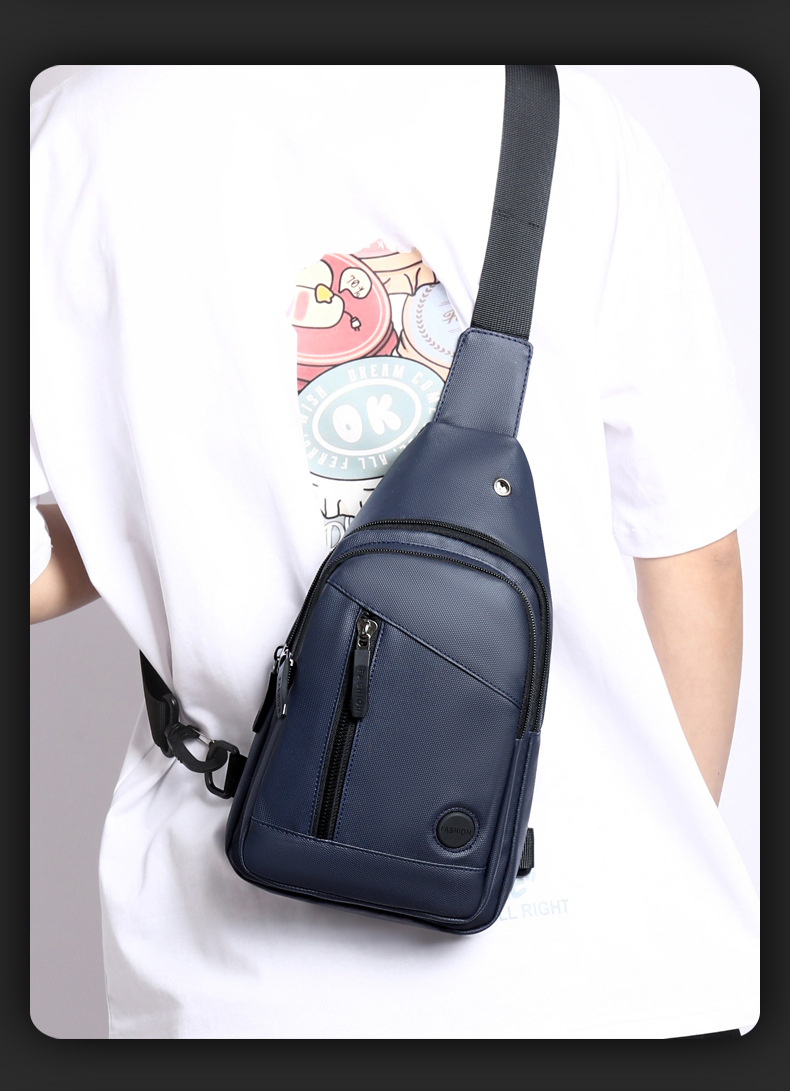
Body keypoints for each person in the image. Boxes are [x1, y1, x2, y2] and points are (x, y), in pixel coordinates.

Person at [30, 65, 759, 1039]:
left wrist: (147, 517)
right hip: (608, 969)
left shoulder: (72, 133)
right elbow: (693, 553)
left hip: (247, 988)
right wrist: (656, 854)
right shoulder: (568, 116)